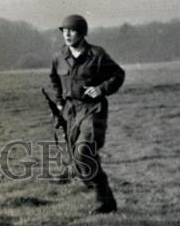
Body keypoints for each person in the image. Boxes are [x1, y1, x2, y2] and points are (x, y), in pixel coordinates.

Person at [47, 14, 124, 214]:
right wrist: (58, 102)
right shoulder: (59, 57)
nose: (67, 35)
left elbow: (118, 74)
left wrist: (101, 89)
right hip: (70, 112)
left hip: (93, 110)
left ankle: (101, 195)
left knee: (83, 152)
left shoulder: (97, 55)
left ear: (82, 33)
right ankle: (106, 200)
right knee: (79, 158)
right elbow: (54, 78)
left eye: (71, 31)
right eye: (64, 31)